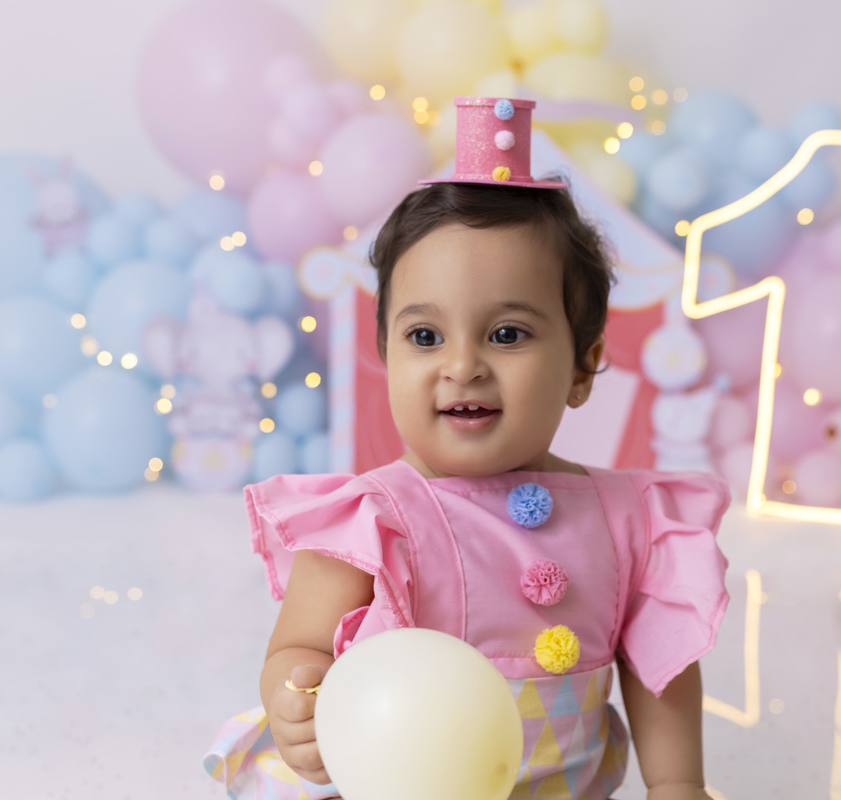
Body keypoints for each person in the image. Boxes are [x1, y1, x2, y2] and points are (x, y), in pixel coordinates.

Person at [205, 97, 730, 800]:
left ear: (582, 366)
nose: (462, 366)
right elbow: (296, 648)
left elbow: (658, 667)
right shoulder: (372, 519)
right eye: (425, 337)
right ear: (386, 355)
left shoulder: (629, 520)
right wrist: (295, 696)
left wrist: (676, 783)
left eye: (507, 334)